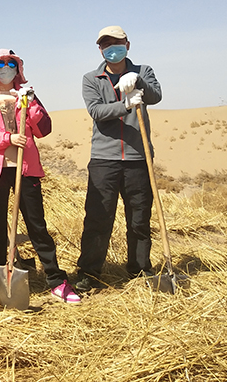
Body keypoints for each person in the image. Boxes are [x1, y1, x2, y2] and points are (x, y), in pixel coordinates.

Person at [0, 49, 80, 303]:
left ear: (18, 69)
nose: (5, 68)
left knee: (36, 225)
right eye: (0, 64)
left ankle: (56, 280)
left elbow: (43, 130)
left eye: (11, 64)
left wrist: (31, 106)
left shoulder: (27, 96)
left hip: (25, 168)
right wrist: (7, 139)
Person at [76, 26, 162, 292]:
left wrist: (139, 82)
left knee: (139, 218)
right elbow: (96, 111)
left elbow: (156, 96)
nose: (112, 47)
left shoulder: (144, 70)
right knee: (98, 218)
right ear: (100, 49)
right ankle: (89, 272)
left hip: (138, 157)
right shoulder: (92, 78)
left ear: (127, 44)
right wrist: (125, 105)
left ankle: (140, 269)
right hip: (104, 159)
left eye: (117, 42)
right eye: (106, 44)